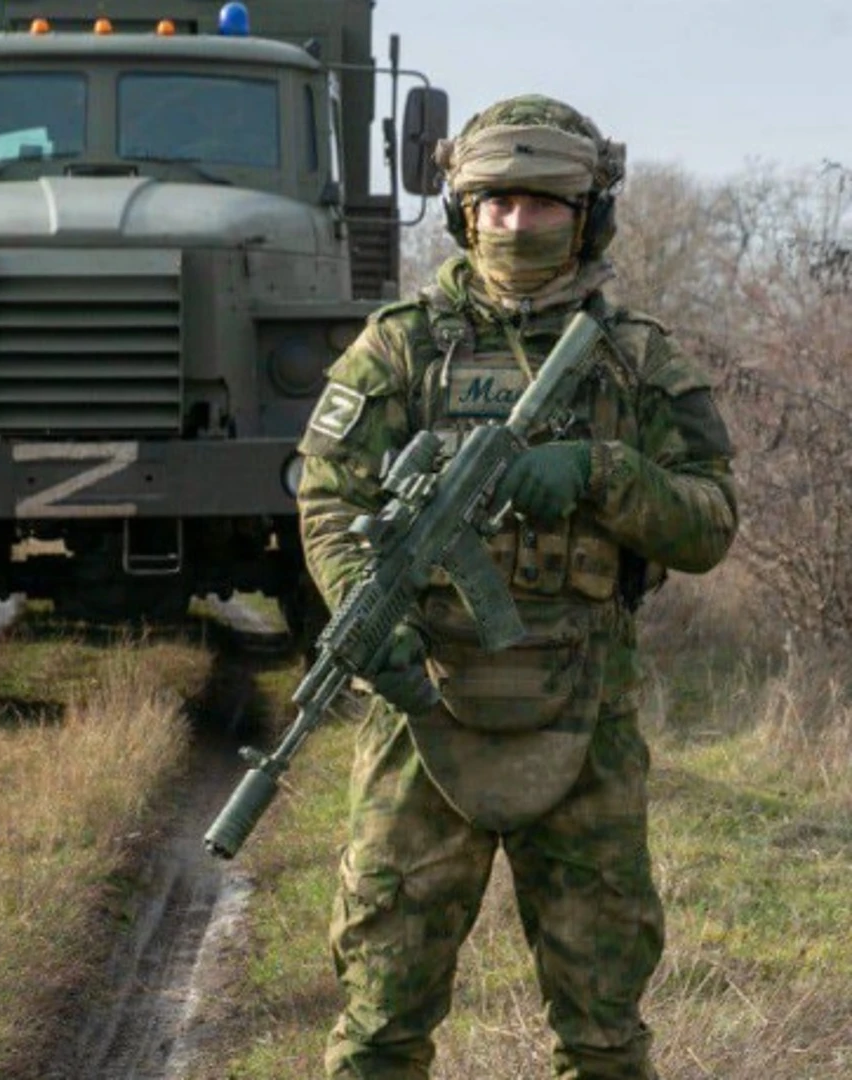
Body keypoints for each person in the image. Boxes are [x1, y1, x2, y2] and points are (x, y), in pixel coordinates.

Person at [296, 96, 738, 1078]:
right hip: (422, 718)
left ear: (587, 216)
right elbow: (327, 496)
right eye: (494, 202)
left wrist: (599, 473)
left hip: (586, 717)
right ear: (462, 210)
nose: (515, 224)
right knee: (377, 1030)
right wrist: (363, 615)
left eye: (543, 205)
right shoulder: (402, 346)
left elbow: (711, 521)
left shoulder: (635, 359)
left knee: (604, 1039)